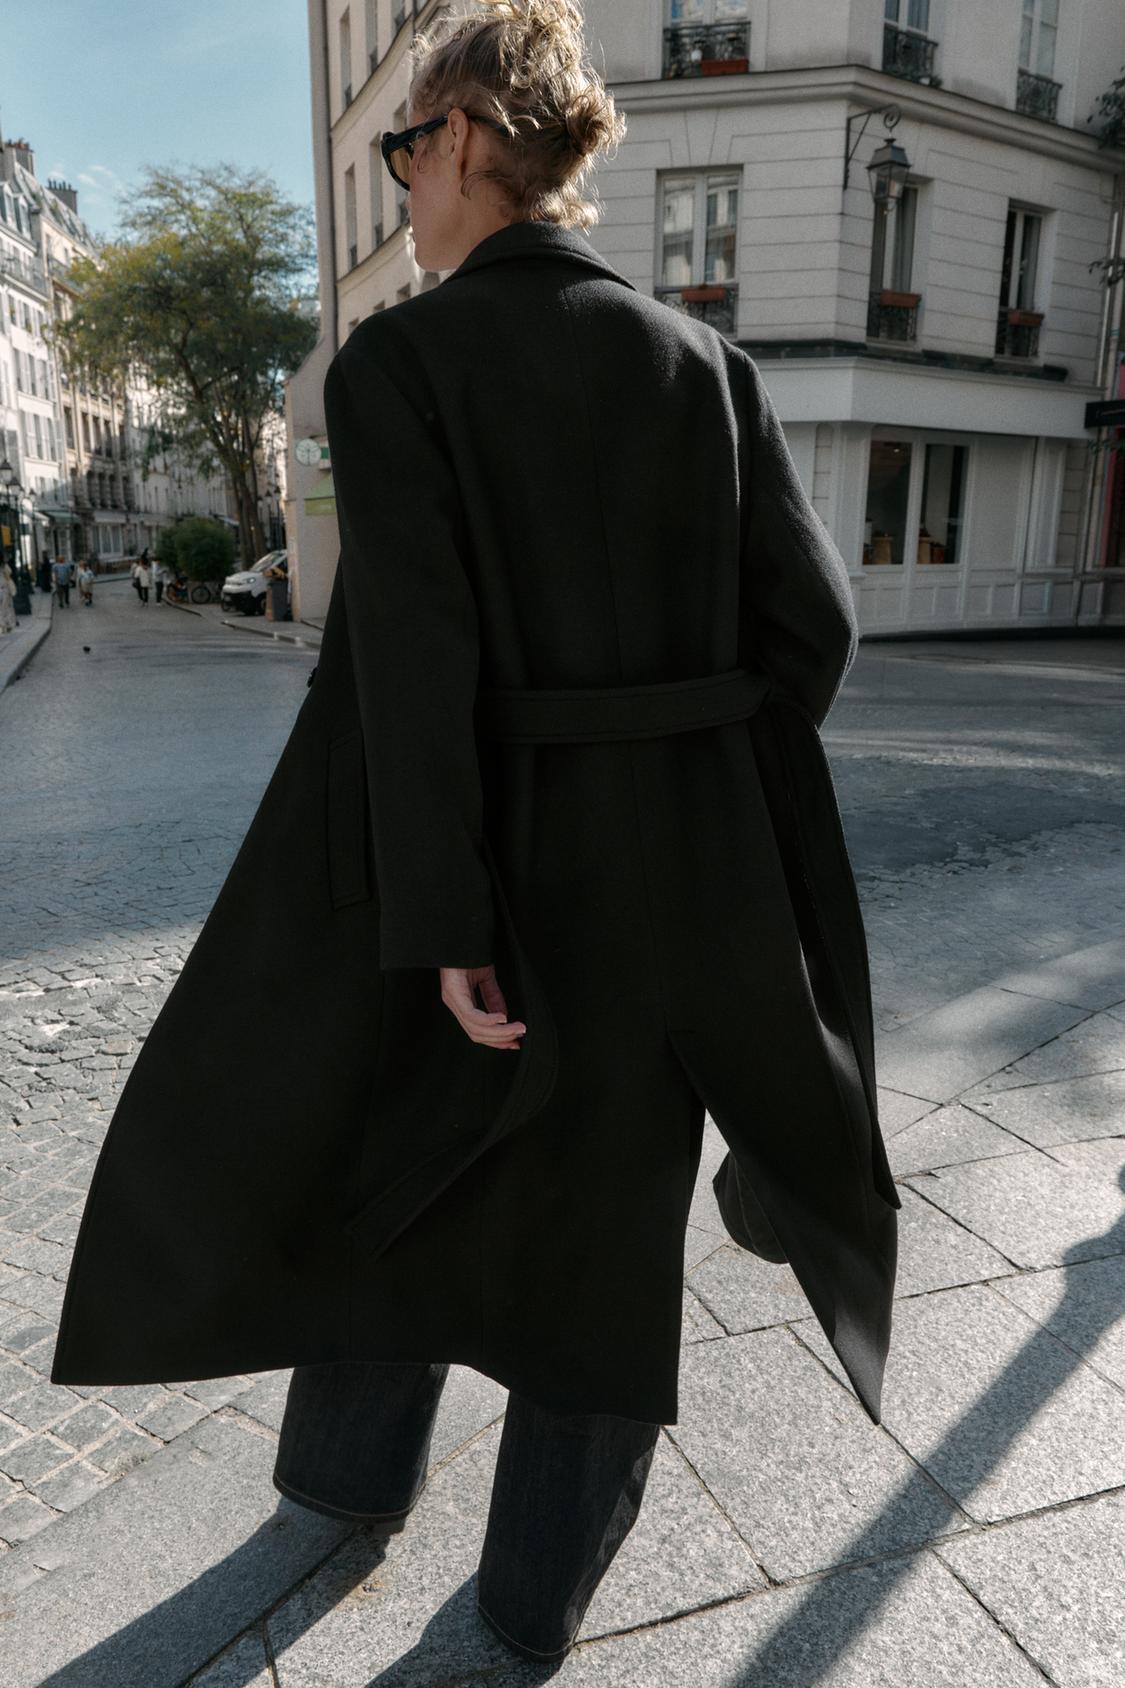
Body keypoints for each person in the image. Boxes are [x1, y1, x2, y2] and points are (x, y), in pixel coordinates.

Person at [47, 0, 899, 1670]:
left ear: (459, 140)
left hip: (478, 879)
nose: (400, 186)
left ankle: (345, 1479)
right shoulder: (706, 367)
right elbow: (815, 632)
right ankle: (527, 1605)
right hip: (675, 887)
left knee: (410, 1171)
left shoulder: (403, 364)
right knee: (606, 1228)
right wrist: (687, 773)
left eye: (401, 150)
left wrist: (441, 922)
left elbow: (411, 668)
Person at [0, 557, 16, 632]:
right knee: (6, 608)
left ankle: (3, 625)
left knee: (2, 608)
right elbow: (9, 573)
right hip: (4, 589)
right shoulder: (4, 566)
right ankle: (7, 624)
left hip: (2, 588)